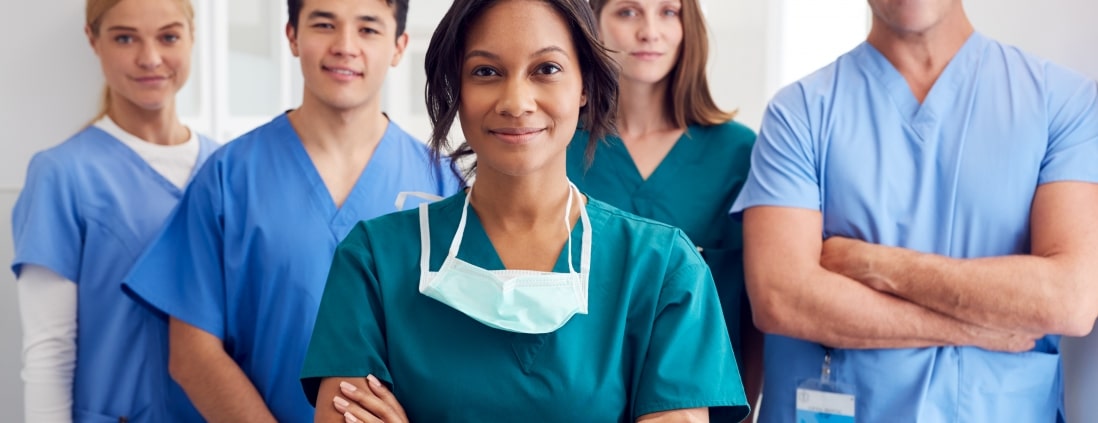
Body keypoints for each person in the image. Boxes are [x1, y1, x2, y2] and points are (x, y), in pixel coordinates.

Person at [300, 0, 749, 422]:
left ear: (585, 87)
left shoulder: (664, 268)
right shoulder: (374, 261)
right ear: (456, 88)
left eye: (547, 69)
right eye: (486, 71)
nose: (516, 102)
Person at [730, 0, 1098, 421]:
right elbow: (782, 298)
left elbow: (1071, 299)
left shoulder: (1061, 103)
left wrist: (874, 264)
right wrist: (976, 326)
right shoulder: (798, 113)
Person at [121, 0, 461, 421]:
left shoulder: (443, 186)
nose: (345, 46)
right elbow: (192, 354)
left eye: (368, 29)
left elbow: (454, 355)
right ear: (292, 37)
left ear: (398, 46)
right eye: (324, 24)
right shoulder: (229, 177)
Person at [11, 0, 217, 421]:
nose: (150, 58)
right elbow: (49, 351)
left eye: (169, 37)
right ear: (93, 39)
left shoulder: (226, 168)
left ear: (192, 37)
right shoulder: (62, 175)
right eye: (125, 38)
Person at [567, 0, 762, 412]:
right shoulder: (560, 150)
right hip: (579, 402)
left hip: (701, 402)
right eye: (627, 12)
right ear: (593, 26)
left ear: (688, 26)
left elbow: (754, 312)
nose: (650, 31)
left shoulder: (740, 154)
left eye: (668, 12)